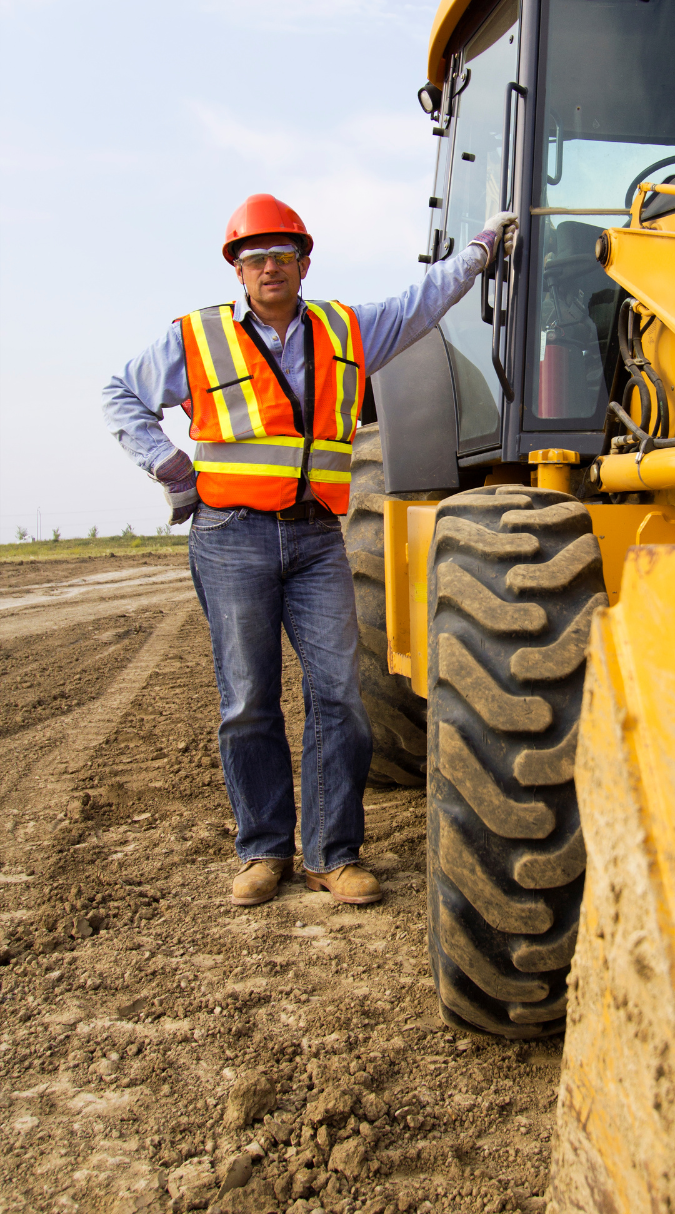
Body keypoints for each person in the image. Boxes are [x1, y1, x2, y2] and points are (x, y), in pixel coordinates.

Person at [103, 193, 517, 908]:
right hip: (230, 536)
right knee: (248, 701)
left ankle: (332, 853)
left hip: (319, 539)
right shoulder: (198, 338)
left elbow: (423, 301)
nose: (269, 268)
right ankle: (264, 852)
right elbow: (120, 395)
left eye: (282, 255)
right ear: (237, 270)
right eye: (255, 257)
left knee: (342, 696)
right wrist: (172, 469)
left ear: (303, 263)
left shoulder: (345, 330)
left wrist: (481, 248)